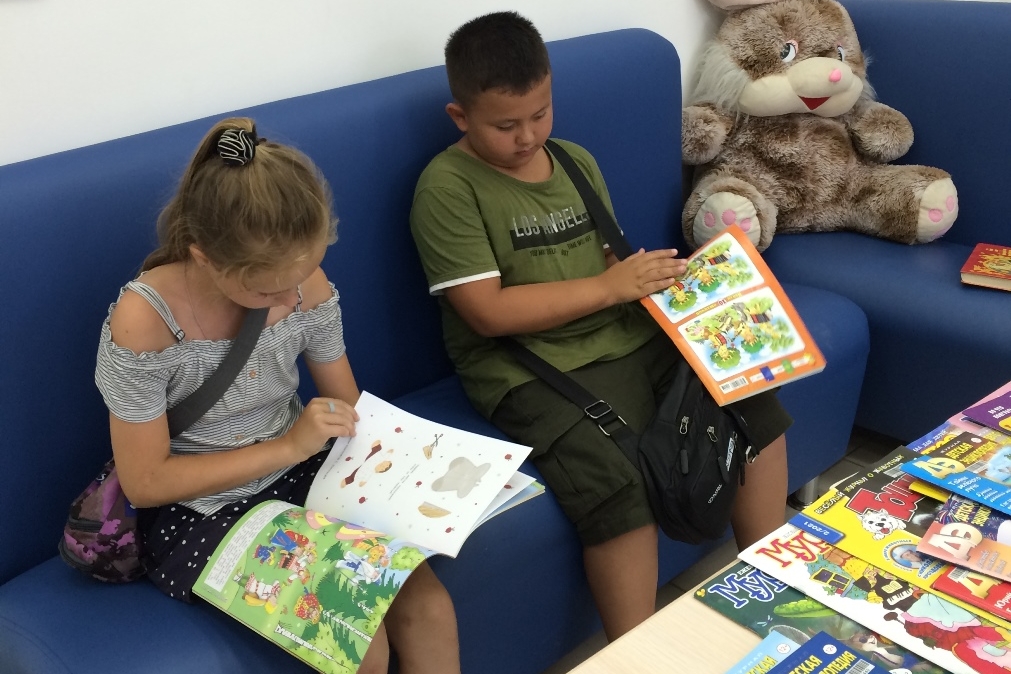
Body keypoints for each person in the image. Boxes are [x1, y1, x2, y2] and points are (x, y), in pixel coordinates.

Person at [409, 12, 792, 641]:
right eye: (505, 126)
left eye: (540, 114)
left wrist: (682, 283)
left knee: (749, 399)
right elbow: (486, 312)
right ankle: (633, 651)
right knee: (618, 485)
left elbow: (610, 263)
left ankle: (770, 585)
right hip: (524, 365)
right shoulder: (447, 187)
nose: (527, 136)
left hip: (620, 333)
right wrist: (611, 287)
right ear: (460, 116)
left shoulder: (574, 161)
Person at [95, 117, 460, 674]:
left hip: (303, 473)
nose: (292, 299)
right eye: (268, 290)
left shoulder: (300, 279)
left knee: (429, 609)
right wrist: (288, 447)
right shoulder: (145, 322)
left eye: (303, 274)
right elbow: (145, 483)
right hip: (201, 509)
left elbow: (351, 406)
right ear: (205, 259)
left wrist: (413, 469)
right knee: (359, 642)